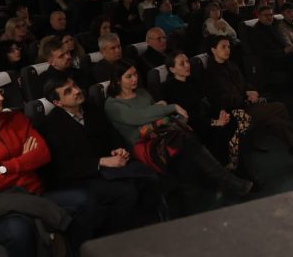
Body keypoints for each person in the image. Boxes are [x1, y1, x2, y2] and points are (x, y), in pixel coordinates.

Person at [0, 75, 96, 257]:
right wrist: (25, 161)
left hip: (36, 194)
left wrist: (4, 168)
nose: (1, 97)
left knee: (85, 201)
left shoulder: (16, 119)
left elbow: (43, 154)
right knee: (20, 231)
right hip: (4, 207)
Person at [104, 59, 252, 214]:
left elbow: (154, 116)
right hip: (143, 146)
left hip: (162, 135)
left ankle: (200, 201)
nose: (134, 78)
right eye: (129, 76)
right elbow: (139, 117)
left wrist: (156, 112)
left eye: (135, 74)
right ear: (117, 80)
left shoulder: (142, 93)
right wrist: (170, 107)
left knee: (183, 151)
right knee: (185, 141)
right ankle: (229, 183)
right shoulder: (113, 104)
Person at [41, 76, 161, 233]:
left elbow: (112, 135)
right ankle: (123, 235)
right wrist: (101, 161)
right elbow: (64, 166)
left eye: (75, 85)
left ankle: (152, 227)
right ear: (57, 102)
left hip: (108, 166)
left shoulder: (91, 108)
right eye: (68, 91)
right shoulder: (51, 125)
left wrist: (118, 149)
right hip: (81, 177)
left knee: (149, 177)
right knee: (126, 191)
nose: (77, 91)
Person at [204, 36, 293, 173]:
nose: (228, 50)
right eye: (223, 47)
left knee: (278, 122)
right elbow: (222, 100)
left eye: (228, 47)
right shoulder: (210, 74)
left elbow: (245, 84)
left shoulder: (232, 65)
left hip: (248, 106)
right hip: (235, 113)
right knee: (280, 108)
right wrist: (245, 97)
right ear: (213, 50)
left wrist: (252, 91)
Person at [160, 51, 251, 177]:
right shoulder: (169, 89)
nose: (187, 65)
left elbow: (210, 99)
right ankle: (236, 171)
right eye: (182, 64)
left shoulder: (193, 80)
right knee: (224, 131)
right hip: (194, 125)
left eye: (187, 61)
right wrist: (214, 122)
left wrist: (221, 112)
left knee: (234, 120)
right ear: (172, 69)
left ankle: (234, 166)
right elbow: (189, 116)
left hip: (207, 117)